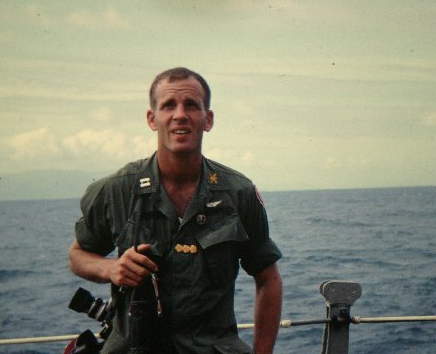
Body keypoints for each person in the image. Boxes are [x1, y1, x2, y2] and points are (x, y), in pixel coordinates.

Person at [68, 67, 283, 354]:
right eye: (168, 105)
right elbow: (78, 255)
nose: (180, 114)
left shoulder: (238, 193)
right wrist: (111, 268)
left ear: (207, 120)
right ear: (152, 119)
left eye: (191, 105)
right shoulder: (117, 190)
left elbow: (268, 279)